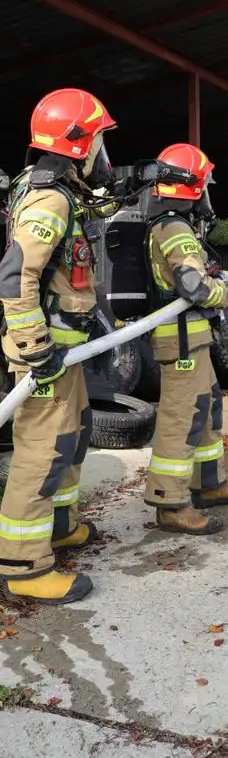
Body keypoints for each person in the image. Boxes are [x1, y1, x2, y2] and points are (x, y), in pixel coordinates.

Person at [0, 88, 118, 605]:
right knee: (41, 454)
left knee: (71, 439)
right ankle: (24, 565)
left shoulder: (60, 191)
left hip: (64, 350)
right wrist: (33, 346)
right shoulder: (50, 198)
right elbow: (14, 275)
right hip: (43, 355)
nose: (101, 155)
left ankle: (61, 526)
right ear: (78, 144)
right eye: (97, 142)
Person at [144, 142, 228, 535]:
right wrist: (227, 292)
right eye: (205, 183)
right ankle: (171, 504)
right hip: (180, 342)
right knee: (183, 418)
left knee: (207, 410)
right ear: (192, 187)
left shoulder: (175, 226)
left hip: (193, 339)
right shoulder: (173, 228)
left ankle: (208, 485)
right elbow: (194, 287)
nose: (209, 191)